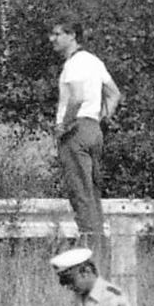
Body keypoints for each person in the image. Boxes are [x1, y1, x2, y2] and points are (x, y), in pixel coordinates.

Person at [50, 22, 121, 264]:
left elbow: (77, 97)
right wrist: (102, 117)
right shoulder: (94, 61)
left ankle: (91, 255)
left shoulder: (74, 63)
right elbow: (114, 94)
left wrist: (63, 125)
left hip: (76, 129)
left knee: (80, 193)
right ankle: (99, 251)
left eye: (58, 34)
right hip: (93, 129)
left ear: (72, 36)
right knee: (93, 194)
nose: (52, 39)